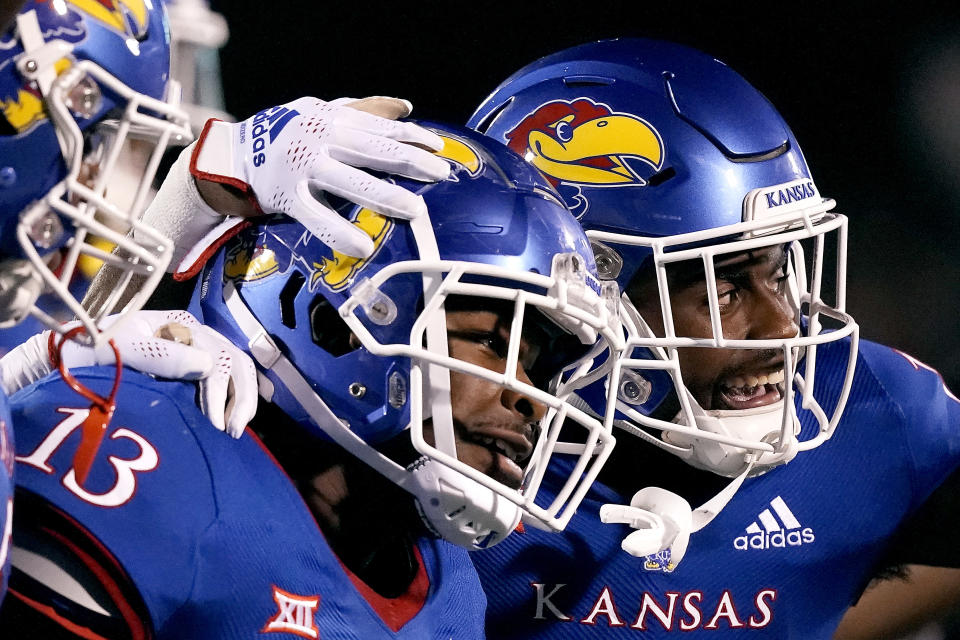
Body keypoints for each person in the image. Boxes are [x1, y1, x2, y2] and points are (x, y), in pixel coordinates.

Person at [0, 121, 624, 638]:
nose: (530, 398)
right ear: (329, 318)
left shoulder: (452, 587)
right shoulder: (149, 453)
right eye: (495, 342)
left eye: (542, 365)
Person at [463, 38, 960, 638]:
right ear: (579, 292)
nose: (782, 325)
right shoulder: (446, 437)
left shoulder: (873, 407)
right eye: (723, 289)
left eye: (778, 271)